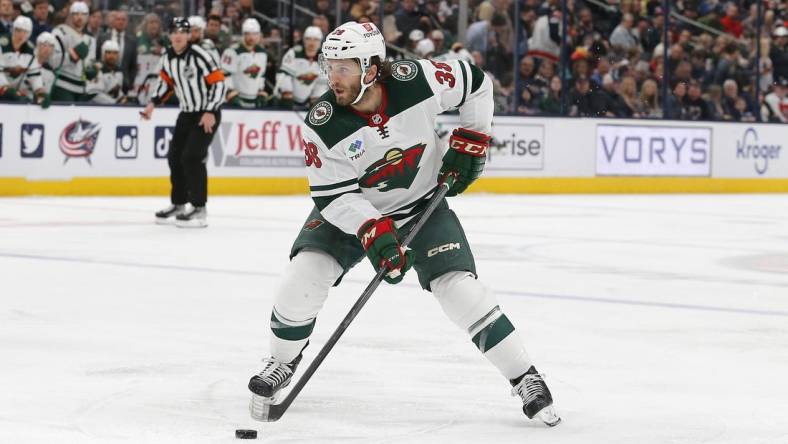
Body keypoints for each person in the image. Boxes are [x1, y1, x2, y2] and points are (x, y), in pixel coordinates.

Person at [246, 21, 561, 427]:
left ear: (372, 68)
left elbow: (477, 83)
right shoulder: (322, 122)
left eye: (344, 68)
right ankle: (282, 361)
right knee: (303, 277)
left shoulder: (418, 80)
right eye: (330, 67)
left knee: (460, 290)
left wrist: (474, 136)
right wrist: (372, 228)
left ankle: (525, 377)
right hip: (354, 211)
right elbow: (332, 197)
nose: (332, 78)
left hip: (421, 205)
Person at [141, 17, 226, 228]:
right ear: (170, 35)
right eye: (174, 31)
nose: (178, 35)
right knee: (175, 157)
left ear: (189, 35)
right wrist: (152, 104)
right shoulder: (167, 56)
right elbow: (166, 84)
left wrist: (210, 110)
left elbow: (219, 84)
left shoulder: (200, 55)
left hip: (207, 114)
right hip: (186, 113)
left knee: (192, 157)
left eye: (183, 31)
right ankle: (179, 203)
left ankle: (199, 208)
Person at [49, 1, 97, 101]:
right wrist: (72, 56)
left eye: (83, 14)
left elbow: (90, 63)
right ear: (70, 15)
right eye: (76, 14)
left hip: (83, 88)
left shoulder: (91, 40)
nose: (80, 17)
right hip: (62, 85)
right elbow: (52, 61)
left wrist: (92, 70)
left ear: (88, 17)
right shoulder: (59, 32)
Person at [273, 25, 327, 108]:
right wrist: (287, 92)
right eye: (308, 39)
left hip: (306, 103)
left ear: (320, 41)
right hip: (286, 100)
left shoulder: (323, 59)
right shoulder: (294, 53)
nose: (312, 43)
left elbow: (321, 82)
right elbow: (284, 75)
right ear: (304, 40)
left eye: (316, 39)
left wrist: (316, 98)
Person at [221, 18, 268, 109]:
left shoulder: (262, 52)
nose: (251, 37)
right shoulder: (232, 51)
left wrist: (261, 90)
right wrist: (229, 91)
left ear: (259, 35)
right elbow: (224, 75)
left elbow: (261, 75)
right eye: (248, 34)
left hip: (254, 99)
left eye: (255, 34)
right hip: (235, 99)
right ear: (243, 34)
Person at [0, 16, 46, 104]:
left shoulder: (30, 50)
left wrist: (39, 91)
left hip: (15, 93)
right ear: (13, 30)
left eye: (25, 32)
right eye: (18, 30)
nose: (21, 35)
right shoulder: (1, 45)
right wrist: (5, 88)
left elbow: (35, 75)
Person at [96, 9, 136, 93]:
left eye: (123, 20)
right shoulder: (102, 37)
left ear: (127, 22)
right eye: (118, 19)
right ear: (114, 21)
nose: (121, 22)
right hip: (102, 80)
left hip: (124, 83)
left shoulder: (132, 41)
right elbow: (97, 58)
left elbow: (133, 66)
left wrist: (130, 83)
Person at [87, 40, 126, 104]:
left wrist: (122, 98)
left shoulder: (119, 71)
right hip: (96, 108)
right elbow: (94, 94)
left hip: (113, 108)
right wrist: (114, 102)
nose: (112, 56)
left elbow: (115, 91)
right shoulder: (96, 69)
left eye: (115, 53)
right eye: (109, 52)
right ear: (103, 54)